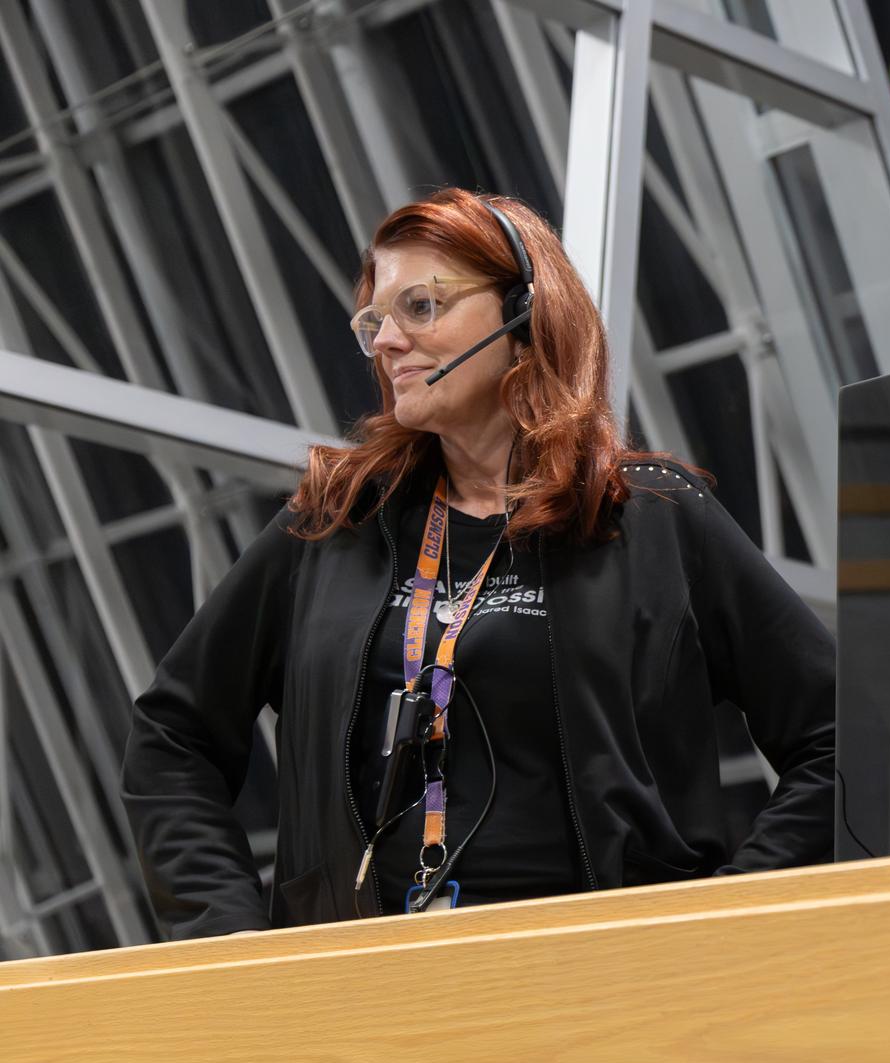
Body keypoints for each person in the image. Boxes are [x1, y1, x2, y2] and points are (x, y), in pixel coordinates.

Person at [121, 188, 835, 939]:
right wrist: (225, 932)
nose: (387, 342)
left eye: (422, 306)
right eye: (375, 321)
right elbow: (174, 736)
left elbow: (839, 730)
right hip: (370, 1004)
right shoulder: (335, 527)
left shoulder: (651, 520)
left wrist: (733, 913)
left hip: (609, 994)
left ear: (524, 315)